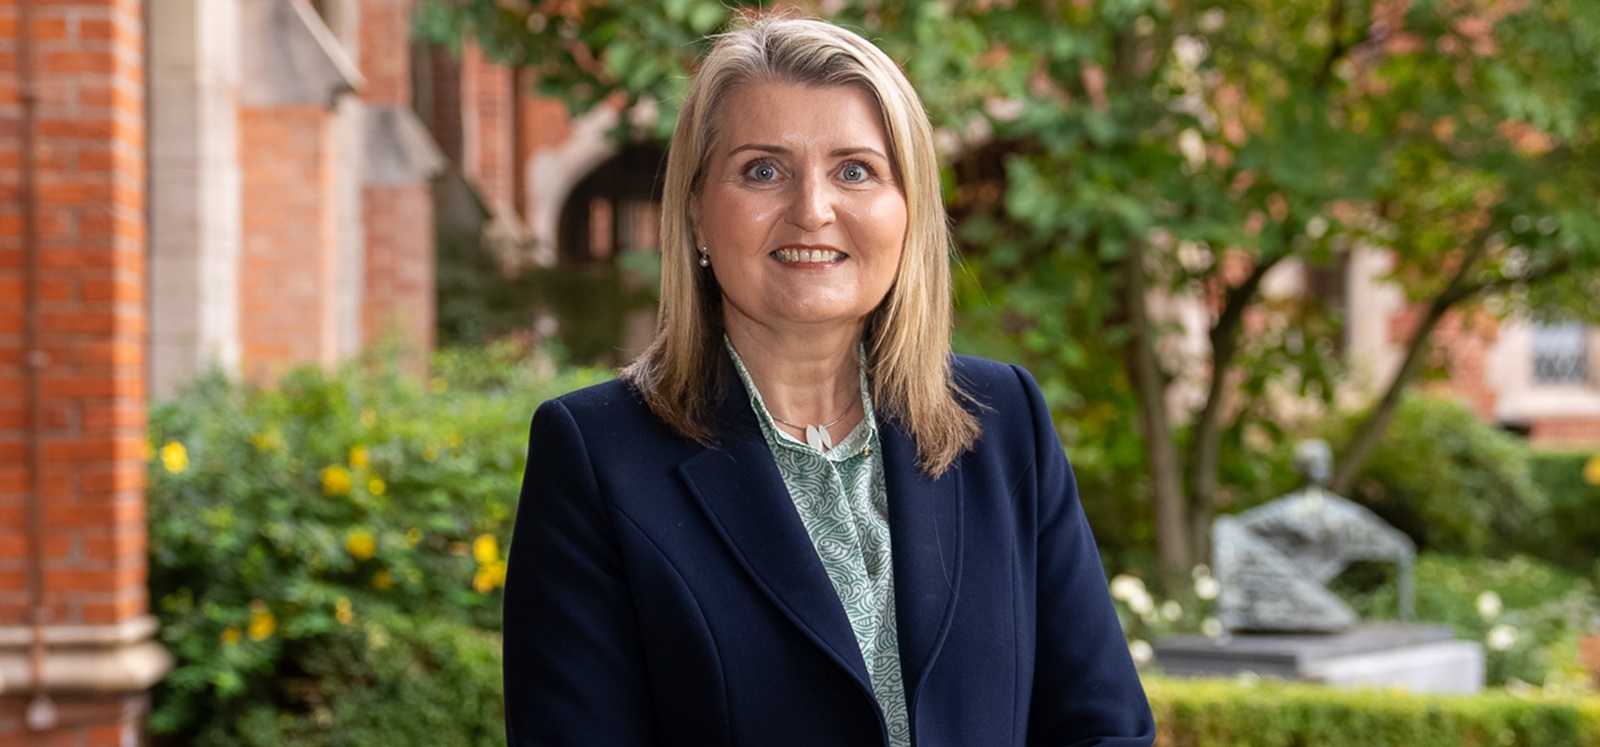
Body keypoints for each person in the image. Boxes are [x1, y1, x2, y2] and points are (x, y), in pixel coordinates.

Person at [504, 14, 1154, 747]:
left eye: (856, 170)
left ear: (907, 210)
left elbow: (1103, 728)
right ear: (695, 214)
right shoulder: (596, 456)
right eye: (763, 170)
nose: (813, 209)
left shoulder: (1005, 420)